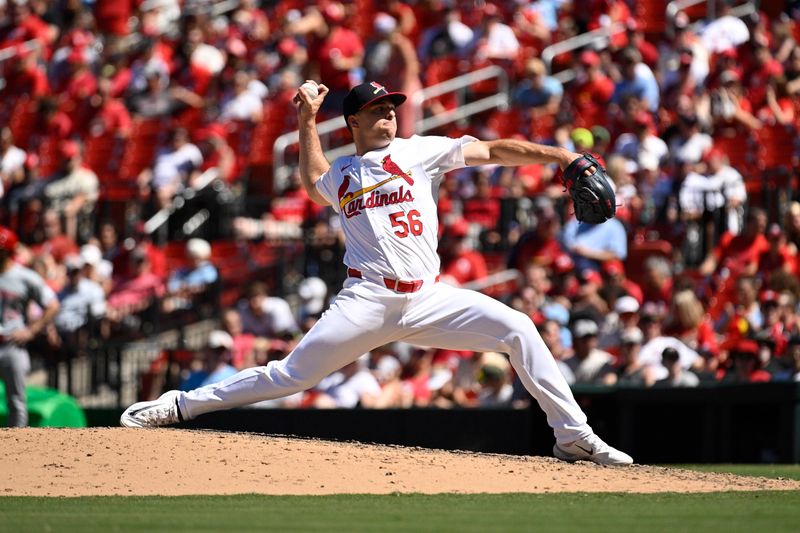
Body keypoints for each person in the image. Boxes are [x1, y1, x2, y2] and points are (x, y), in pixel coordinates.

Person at [120, 80, 633, 466]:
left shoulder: (417, 151)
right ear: (354, 123)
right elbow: (313, 176)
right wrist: (305, 121)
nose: (389, 113)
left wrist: (561, 156)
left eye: (391, 107)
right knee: (290, 376)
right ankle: (180, 406)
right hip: (367, 299)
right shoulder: (343, 173)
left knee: (519, 328)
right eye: (377, 109)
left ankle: (572, 436)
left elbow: (493, 151)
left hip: (429, 298)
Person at [0, 226, 59, 426]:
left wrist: (31, 330)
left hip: (11, 344)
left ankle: (17, 446)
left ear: (8, 252)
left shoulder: (25, 277)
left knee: (16, 400)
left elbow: (52, 305)